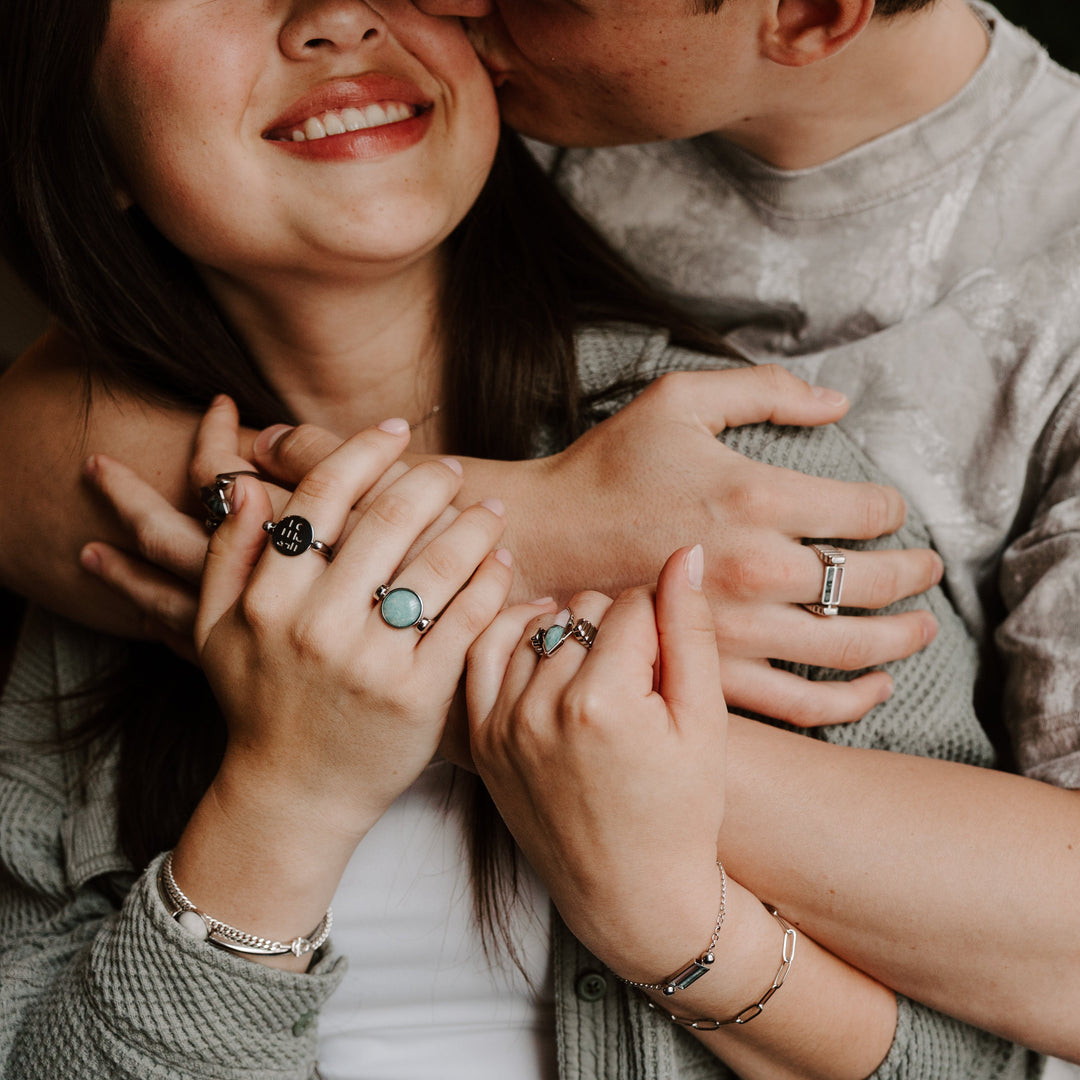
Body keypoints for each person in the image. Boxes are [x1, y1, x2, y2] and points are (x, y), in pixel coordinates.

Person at [2, 0, 1079, 1067]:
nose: (349, 14)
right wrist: (527, 536)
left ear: (809, 16)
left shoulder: (735, 477)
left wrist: (663, 904)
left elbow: (997, 1034)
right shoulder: (543, 89)